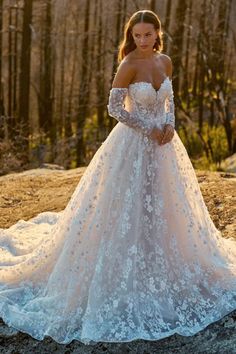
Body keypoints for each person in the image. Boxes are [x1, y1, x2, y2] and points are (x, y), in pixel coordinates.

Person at [0, 9, 235, 347]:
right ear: (131, 36)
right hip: (133, 144)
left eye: (147, 35)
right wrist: (148, 128)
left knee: (165, 204)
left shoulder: (165, 61)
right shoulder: (127, 65)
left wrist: (170, 124)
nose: (142, 40)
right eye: (137, 35)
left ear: (157, 34)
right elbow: (115, 108)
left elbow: (169, 98)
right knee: (129, 204)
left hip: (165, 146)